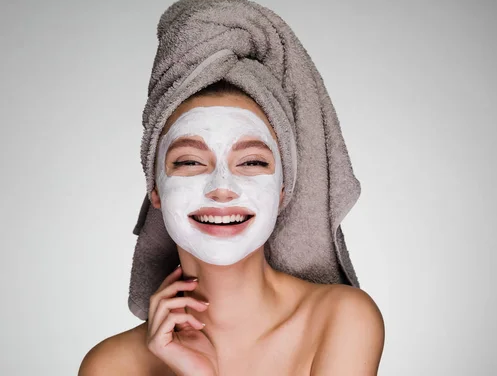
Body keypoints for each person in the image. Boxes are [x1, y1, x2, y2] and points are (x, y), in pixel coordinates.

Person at [78, 81, 384, 375]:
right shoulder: (110, 366)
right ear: (155, 189)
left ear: (282, 191)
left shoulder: (342, 319)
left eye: (252, 162)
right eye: (190, 162)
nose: (222, 188)